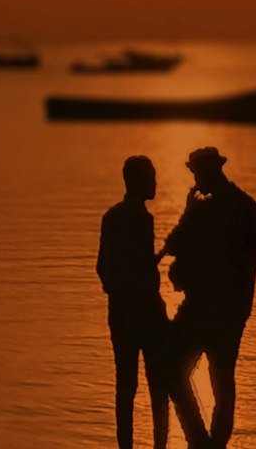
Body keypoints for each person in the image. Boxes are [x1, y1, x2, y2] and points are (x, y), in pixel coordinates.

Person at [161, 147, 256, 449]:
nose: (194, 180)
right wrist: (187, 212)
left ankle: (205, 443)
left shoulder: (241, 208)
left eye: (196, 174)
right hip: (212, 308)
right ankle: (204, 443)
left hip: (219, 310)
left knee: (194, 374)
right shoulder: (216, 208)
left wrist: (224, 257)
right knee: (200, 377)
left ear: (209, 173)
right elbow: (176, 245)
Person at [97, 155, 170, 449]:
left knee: (125, 388)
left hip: (121, 314)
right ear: (138, 182)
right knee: (157, 386)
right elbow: (138, 270)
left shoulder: (111, 216)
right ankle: (159, 445)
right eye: (151, 178)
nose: (156, 183)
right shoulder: (141, 219)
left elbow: (104, 267)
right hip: (144, 316)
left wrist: (117, 294)